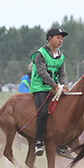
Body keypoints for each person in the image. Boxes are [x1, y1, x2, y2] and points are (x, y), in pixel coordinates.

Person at [30, 27, 69, 156]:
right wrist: (55, 86)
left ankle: (62, 144)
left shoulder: (61, 56)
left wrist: (64, 85)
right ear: (50, 38)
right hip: (40, 88)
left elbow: (62, 74)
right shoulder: (40, 54)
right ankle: (39, 143)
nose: (61, 40)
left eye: (62, 38)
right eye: (58, 37)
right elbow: (41, 72)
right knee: (42, 112)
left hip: (54, 89)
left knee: (65, 111)